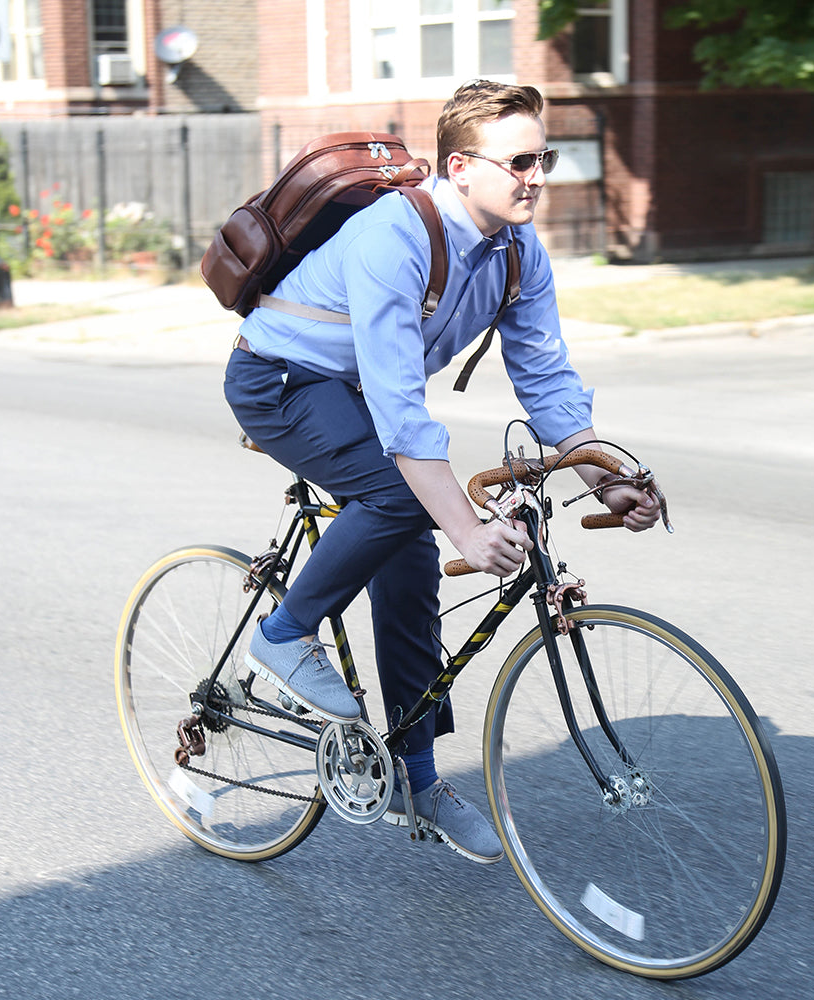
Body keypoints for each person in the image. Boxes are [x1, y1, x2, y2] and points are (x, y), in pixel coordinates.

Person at [223, 80, 660, 864]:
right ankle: (284, 635)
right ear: (460, 167)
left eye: (544, 158)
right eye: (519, 160)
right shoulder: (397, 236)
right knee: (403, 497)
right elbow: (400, 412)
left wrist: (604, 472)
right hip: (281, 379)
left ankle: (417, 783)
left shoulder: (520, 252)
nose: (536, 176)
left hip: (353, 390)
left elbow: (548, 379)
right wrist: (465, 521)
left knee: (412, 566)